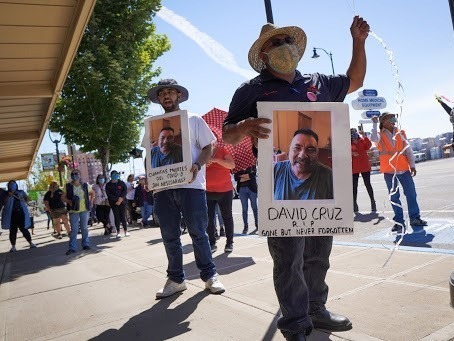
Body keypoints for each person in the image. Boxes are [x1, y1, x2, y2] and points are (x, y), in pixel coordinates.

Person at [223, 17, 369, 340]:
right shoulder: (250, 90)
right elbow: (227, 133)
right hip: (279, 190)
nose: (282, 46)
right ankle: (296, 325)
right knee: (289, 259)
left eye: (286, 39)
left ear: (296, 47)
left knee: (319, 252)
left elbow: (354, 80)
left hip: (321, 188)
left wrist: (358, 41)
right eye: (274, 43)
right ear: (263, 56)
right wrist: (245, 127)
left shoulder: (317, 82)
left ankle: (317, 309)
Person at [146, 78, 225, 298]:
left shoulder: (193, 119)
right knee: (169, 236)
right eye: (162, 94)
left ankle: (210, 276)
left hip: (192, 187)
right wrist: (149, 178)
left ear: (179, 96)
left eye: (171, 92)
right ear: (159, 99)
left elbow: (209, 147)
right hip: (162, 190)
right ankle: (176, 279)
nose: (167, 96)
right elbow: (148, 156)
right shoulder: (152, 124)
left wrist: (197, 165)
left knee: (199, 233)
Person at [370, 113, 427, 232]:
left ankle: (415, 218)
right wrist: (375, 124)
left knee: (411, 194)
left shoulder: (401, 133)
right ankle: (399, 222)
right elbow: (373, 138)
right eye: (390, 117)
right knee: (394, 197)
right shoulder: (380, 135)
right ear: (384, 121)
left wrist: (412, 165)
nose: (393, 119)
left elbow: (408, 150)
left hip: (404, 169)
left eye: (393, 117)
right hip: (389, 171)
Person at [274, 129, 333, 200]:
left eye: (310, 150)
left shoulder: (329, 176)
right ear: (289, 149)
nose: (302, 155)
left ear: (317, 153)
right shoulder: (276, 169)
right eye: (297, 148)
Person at [206, 140, 235, 253]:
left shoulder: (223, 150)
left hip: (224, 190)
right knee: (209, 219)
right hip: (207, 190)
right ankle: (212, 242)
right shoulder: (202, 153)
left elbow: (231, 165)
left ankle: (229, 242)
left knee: (227, 217)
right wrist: (203, 163)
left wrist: (215, 160)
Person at [62, 169, 94, 255]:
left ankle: (86, 244)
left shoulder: (85, 185)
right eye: (72, 174)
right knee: (74, 230)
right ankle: (72, 248)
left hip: (84, 209)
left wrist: (91, 201)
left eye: (76, 174)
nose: (74, 175)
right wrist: (69, 201)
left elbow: (92, 193)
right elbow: (62, 197)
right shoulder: (68, 186)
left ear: (80, 175)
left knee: (84, 228)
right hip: (73, 210)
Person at [1, 180, 37, 252]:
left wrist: (26, 197)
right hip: (11, 215)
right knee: (12, 231)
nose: (12, 186)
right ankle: (13, 246)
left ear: (16, 185)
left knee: (24, 229)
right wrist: (8, 196)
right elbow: (3, 203)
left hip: (21, 213)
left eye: (13, 184)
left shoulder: (21, 192)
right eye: (10, 184)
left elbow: (27, 199)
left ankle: (30, 243)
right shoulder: (5, 194)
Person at [351, 127, 376, 212]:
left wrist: (364, 135)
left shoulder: (362, 140)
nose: (354, 135)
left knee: (367, 184)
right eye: (352, 134)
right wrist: (351, 153)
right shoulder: (347, 142)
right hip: (354, 167)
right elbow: (343, 151)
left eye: (355, 133)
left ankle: (373, 201)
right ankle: (354, 203)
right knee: (354, 186)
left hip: (364, 165)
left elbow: (368, 146)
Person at [234, 166, 258, 234]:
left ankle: (257, 223)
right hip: (242, 189)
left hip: (252, 189)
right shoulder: (238, 166)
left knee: (255, 207)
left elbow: (252, 176)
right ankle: (245, 226)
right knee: (244, 209)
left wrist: (242, 177)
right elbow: (236, 178)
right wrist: (247, 177)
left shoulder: (252, 165)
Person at [105, 170, 129, 238]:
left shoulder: (121, 183)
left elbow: (125, 191)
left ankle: (126, 231)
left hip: (122, 202)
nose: (116, 175)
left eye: (117, 174)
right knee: (117, 217)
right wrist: (116, 200)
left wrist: (121, 199)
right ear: (111, 175)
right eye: (114, 174)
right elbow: (109, 194)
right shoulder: (108, 185)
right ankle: (118, 232)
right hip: (114, 203)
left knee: (123, 216)